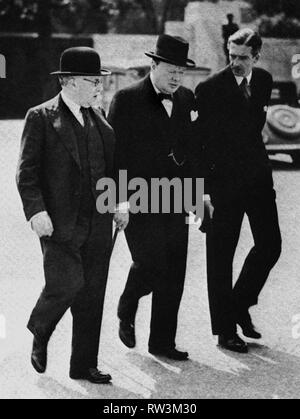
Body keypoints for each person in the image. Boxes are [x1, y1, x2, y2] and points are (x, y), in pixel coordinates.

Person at [16, 47, 128, 384]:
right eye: (91, 81)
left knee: (93, 294)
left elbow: (115, 167)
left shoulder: (101, 119)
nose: (98, 87)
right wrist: (36, 211)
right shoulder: (40, 117)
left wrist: (121, 203)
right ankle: (40, 328)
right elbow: (27, 173)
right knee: (66, 285)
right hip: (58, 223)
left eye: (99, 81)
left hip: (97, 223)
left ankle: (83, 365)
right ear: (67, 81)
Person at [108, 35, 196, 361]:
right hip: (138, 199)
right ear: (154, 65)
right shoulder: (126, 99)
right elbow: (114, 157)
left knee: (174, 273)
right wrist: (118, 202)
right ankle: (128, 302)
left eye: (181, 72)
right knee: (149, 262)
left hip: (176, 198)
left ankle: (161, 341)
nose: (176, 77)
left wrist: (197, 196)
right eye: (170, 70)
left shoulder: (186, 99)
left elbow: (192, 151)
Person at [195, 29, 282, 353]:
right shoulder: (209, 89)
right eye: (231, 56)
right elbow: (201, 146)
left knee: (271, 245)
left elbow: (254, 126)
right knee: (220, 258)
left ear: (256, 57)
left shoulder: (263, 80)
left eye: (243, 57)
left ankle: (240, 303)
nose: (235, 63)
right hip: (223, 187)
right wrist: (201, 197)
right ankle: (225, 330)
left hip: (258, 181)